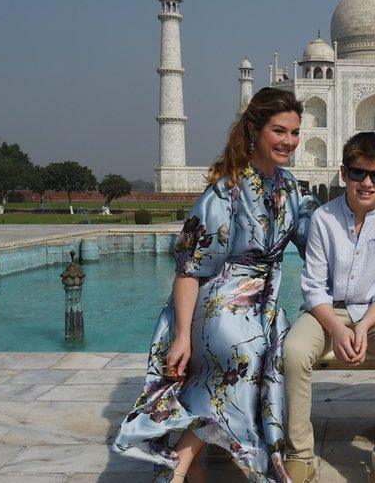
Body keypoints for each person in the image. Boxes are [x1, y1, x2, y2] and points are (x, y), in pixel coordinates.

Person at [112, 88, 319, 483]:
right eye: (280, 131)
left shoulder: (291, 189)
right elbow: (190, 268)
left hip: (266, 303)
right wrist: (182, 336)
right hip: (221, 299)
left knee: (265, 355)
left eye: (294, 132)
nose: (289, 141)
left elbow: (321, 242)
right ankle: (181, 466)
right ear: (255, 131)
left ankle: (186, 467)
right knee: (243, 358)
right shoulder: (226, 190)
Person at [283, 132, 375, 483]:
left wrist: (361, 327)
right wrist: (337, 327)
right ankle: (300, 453)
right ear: (344, 173)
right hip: (327, 311)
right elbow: (313, 286)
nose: (367, 183)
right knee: (294, 351)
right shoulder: (324, 219)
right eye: (359, 173)